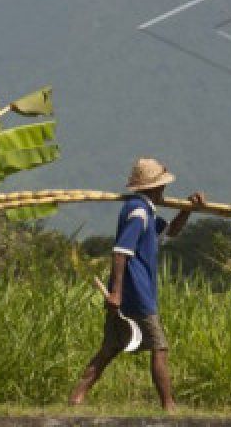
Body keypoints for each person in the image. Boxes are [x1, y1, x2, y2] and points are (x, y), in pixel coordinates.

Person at [69, 157, 205, 412]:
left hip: (130, 292)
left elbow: (171, 231)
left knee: (109, 348)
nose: (164, 191)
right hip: (135, 293)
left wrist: (187, 209)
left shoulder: (146, 212)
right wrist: (117, 293)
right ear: (155, 188)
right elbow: (120, 252)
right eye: (162, 187)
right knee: (159, 346)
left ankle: (76, 397)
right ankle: (169, 405)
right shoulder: (138, 212)